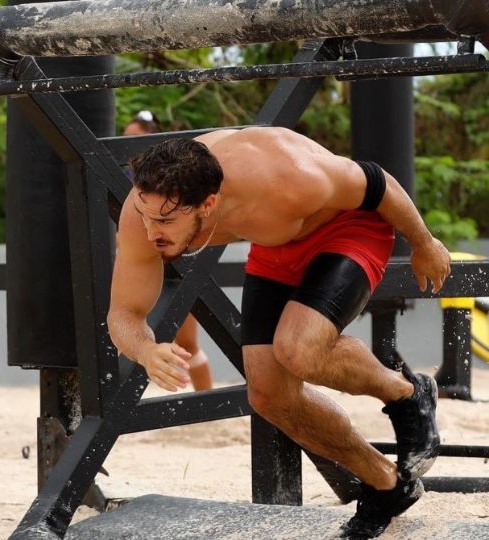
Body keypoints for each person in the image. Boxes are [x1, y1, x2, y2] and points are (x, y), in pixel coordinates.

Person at [107, 127, 450, 538]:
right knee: (268, 395)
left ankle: (407, 393)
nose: (151, 232)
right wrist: (144, 351)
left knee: (299, 350)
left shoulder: (286, 174)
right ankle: (386, 483)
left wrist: (423, 242)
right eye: (146, 217)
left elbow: (377, 182)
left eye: (164, 221)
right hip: (275, 246)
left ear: (210, 202)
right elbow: (124, 312)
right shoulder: (146, 210)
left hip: (347, 229)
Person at [123, 111, 212, 391]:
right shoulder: (127, 177)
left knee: (187, 342)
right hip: (142, 260)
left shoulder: (178, 178)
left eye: (135, 138)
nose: (128, 143)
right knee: (128, 326)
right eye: (125, 138)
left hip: (178, 260)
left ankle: (205, 400)